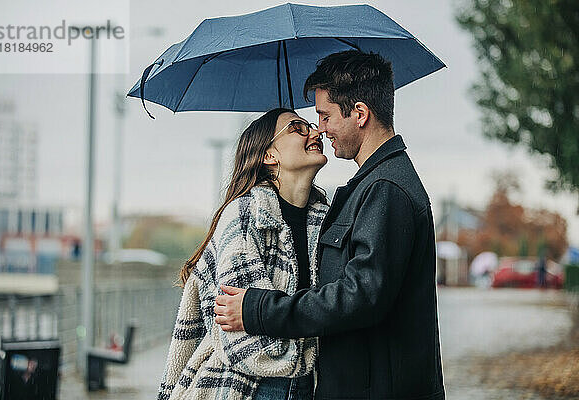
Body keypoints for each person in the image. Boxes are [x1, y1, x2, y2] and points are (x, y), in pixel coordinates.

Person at [215, 50, 446, 400]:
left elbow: (360, 296)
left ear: (360, 114)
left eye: (324, 116)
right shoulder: (369, 187)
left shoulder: (386, 189)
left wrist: (259, 309)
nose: (320, 128)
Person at [157, 108, 329, 400]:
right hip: (249, 388)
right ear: (269, 155)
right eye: (298, 128)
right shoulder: (243, 215)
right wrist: (304, 347)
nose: (316, 133)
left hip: (310, 385)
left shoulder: (327, 221)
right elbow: (240, 335)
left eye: (312, 126)